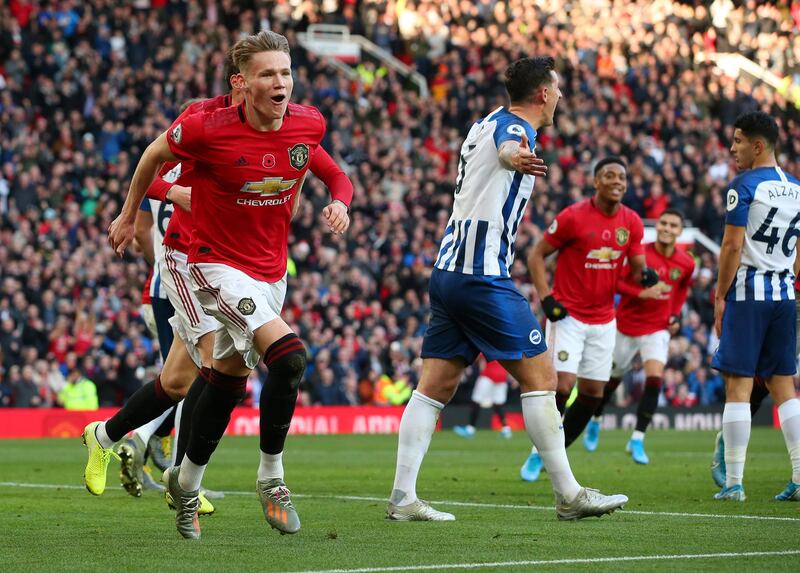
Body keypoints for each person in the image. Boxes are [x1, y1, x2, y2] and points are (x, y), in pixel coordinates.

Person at [107, 30, 352, 539]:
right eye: (268, 74)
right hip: (211, 264)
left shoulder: (308, 123)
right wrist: (131, 216)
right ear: (243, 82)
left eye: (285, 72)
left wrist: (338, 203)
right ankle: (273, 479)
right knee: (288, 357)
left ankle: (185, 482)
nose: (280, 82)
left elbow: (325, 171)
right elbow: (151, 157)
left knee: (228, 381)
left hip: (271, 273)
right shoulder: (205, 128)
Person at [387, 56, 627, 522]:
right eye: (555, 89)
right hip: (480, 276)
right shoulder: (514, 130)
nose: (559, 96)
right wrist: (513, 156)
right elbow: (507, 146)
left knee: (435, 385)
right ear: (542, 94)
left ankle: (403, 497)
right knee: (542, 378)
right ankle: (568, 494)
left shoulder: (484, 122)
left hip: (449, 270)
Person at [520, 156, 656, 481]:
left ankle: (552, 453)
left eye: (621, 177)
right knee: (563, 386)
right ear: (596, 182)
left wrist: (646, 275)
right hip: (567, 316)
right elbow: (535, 255)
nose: (617, 181)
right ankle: (540, 452)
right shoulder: (573, 217)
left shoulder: (632, 222)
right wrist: (546, 297)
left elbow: (637, 270)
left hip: (604, 320)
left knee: (594, 394)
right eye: (609, 176)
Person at [710, 110, 800, 502]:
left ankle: (733, 483)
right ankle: (799, 477)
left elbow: (732, 245)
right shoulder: (797, 187)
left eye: (738, 141)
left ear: (758, 146)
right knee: (785, 387)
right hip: (785, 294)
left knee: (738, 386)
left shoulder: (744, 185)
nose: (733, 149)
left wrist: (719, 296)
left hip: (748, 294)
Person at [582, 209, 695, 464]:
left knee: (654, 378)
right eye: (663, 223)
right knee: (611, 381)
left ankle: (637, 439)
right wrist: (639, 294)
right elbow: (615, 282)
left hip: (657, 328)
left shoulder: (686, 263)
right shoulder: (639, 254)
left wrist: (675, 315)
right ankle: (596, 420)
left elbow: (681, 290)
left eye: (672, 225)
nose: (667, 228)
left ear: (679, 230)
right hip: (626, 326)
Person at [453, 355, 513, 439]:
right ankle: (506, 429)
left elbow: (475, 356)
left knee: (476, 400)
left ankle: (470, 430)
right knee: (498, 404)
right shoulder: (505, 346)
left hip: (488, 375)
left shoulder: (486, 343)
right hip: (502, 377)